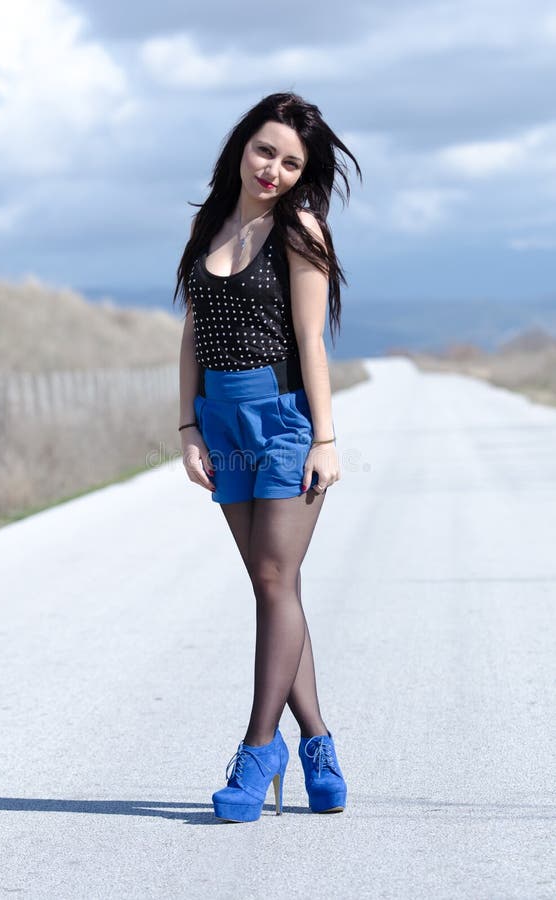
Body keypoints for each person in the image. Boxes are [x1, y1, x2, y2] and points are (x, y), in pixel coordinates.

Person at [174, 92, 361, 823]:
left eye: (291, 162)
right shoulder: (208, 224)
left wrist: (325, 437)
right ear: (241, 146)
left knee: (275, 578)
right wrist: (187, 426)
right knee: (271, 585)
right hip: (221, 421)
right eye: (265, 151)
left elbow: (312, 340)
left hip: (283, 420)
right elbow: (191, 333)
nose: (274, 169)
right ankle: (317, 743)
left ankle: (259, 750)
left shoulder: (301, 230)